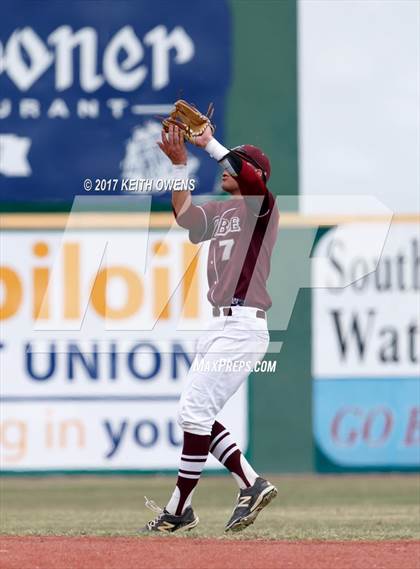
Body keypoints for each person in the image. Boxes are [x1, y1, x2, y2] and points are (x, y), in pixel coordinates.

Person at [141, 123, 279, 533]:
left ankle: (179, 508)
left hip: (243, 325)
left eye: (236, 163)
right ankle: (250, 483)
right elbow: (184, 217)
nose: (224, 167)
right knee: (196, 414)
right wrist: (181, 166)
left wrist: (210, 144)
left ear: (253, 173)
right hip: (218, 324)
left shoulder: (261, 205)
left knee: (194, 410)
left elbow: (249, 175)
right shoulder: (221, 210)